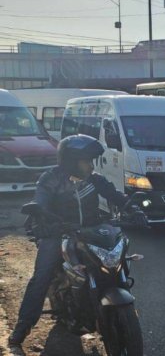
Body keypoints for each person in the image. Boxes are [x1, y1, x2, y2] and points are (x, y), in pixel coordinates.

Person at [7, 134, 146, 350]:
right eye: (86, 161)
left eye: (91, 161)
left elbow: (114, 194)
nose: (91, 165)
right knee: (41, 276)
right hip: (58, 231)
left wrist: (133, 208)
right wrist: (40, 214)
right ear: (71, 160)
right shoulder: (50, 179)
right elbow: (41, 201)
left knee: (116, 255)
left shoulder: (94, 179)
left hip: (90, 230)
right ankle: (22, 329)